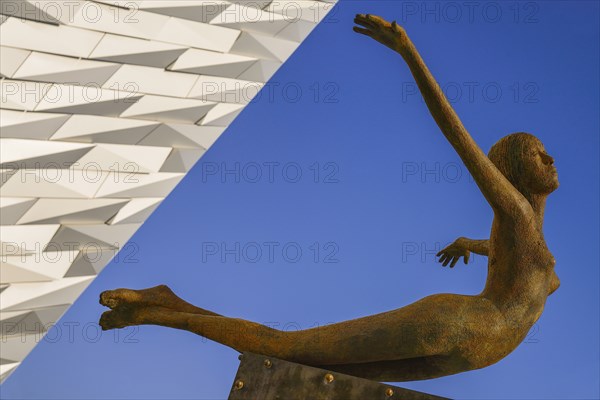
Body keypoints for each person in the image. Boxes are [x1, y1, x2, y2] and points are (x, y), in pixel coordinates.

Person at [98, 14, 560, 381]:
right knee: (282, 348)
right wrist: (409, 53)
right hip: (457, 327)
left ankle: (168, 301)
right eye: (540, 155)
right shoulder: (516, 214)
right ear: (517, 168)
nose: (552, 159)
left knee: (305, 368)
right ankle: (160, 312)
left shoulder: (526, 233)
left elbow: (510, 259)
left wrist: (467, 243)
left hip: (475, 353)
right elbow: (460, 140)